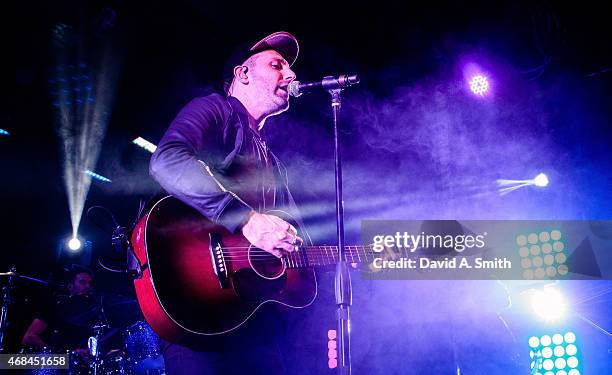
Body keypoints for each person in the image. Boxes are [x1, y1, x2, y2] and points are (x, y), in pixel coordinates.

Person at [149, 31, 306, 374]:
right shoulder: (214, 109)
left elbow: (298, 239)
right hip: (195, 304)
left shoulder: (272, 162)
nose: (291, 75)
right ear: (243, 74)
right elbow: (167, 161)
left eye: (290, 68)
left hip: (249, 315)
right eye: (278, 65)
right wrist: (246, 220)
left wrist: (362, 255)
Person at [21, 266, 96, 357]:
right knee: (6, 361)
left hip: (75, 365)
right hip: (50, 364)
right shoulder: (55, 306)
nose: (88, 286)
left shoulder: (91, 312)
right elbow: (29, 337)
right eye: (82, 282)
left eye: (90, 283)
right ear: (70, 285)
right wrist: (59, 355)